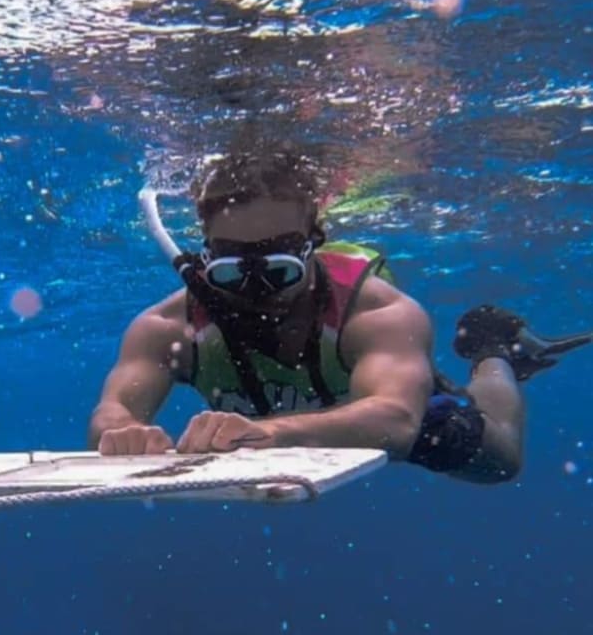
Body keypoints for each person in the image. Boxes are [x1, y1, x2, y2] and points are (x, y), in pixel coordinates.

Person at [86, 145, 591, 483]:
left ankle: (491, 346)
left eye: (279, 269)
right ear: (204, 261)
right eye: (234, 271)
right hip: (297, 424)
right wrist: (124, 433)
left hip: (369, 411)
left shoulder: (379, 311)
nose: (257, 292)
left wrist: (271, 433)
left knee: (497, 461)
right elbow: (110, 415)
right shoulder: (165, 328)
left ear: (312, 249)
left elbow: (394, 419)